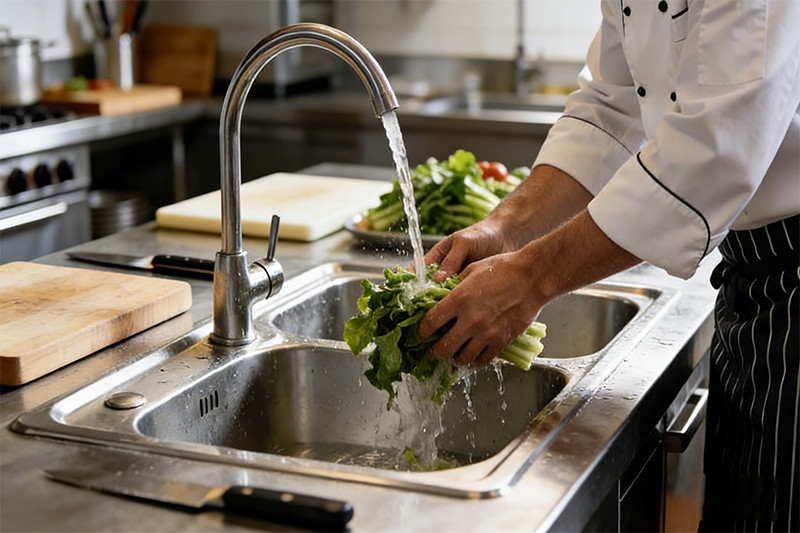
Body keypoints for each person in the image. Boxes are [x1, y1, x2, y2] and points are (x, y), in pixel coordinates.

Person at [417, 1, 799, 530]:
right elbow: (608, 109)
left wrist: (530, 277)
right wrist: (505, 228)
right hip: (752, 274)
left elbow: (713, 152)